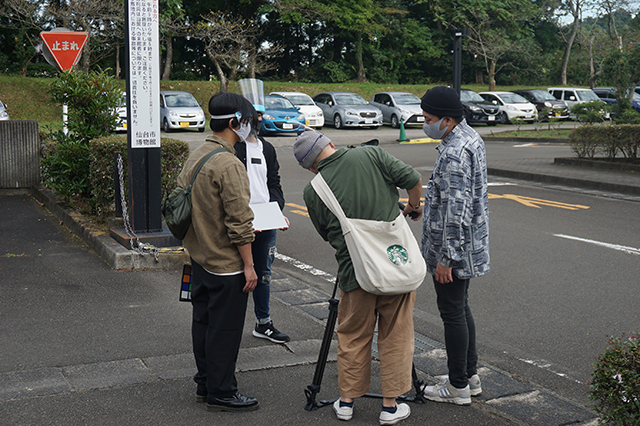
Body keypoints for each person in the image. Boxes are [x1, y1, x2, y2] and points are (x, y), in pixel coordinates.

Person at [294, 129, 423, 425]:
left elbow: (328, 235)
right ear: (330, 143)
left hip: (355, 274)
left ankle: (347, 403)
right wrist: (413, 206)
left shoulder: (313, 191)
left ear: (311, 166)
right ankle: (390, 407)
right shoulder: (371, 154)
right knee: (396, 336)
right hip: (395, 266)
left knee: (352, 336)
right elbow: (413, 180)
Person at [178, 91, 259, 413]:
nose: (250, 129)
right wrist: (249, 265)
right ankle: (222, 393)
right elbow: (239, 222)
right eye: (248, 122)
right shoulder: (229, 163)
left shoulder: (197, 153)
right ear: (235, 122)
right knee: (225, 329)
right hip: (226, 264)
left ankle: (205, 383)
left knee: (203, 322)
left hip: (198, 257)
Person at [419, 86, 490, 406]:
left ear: (447, 120)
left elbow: (456, 211)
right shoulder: (470, 138)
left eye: (429, 118)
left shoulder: (454, 152)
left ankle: (458, 386)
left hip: (454, 249)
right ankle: (469, 375)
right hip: (468, 244)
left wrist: (447, 257)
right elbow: (451, 199)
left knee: (452, 312)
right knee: (460, 308)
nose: (425, 122)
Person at [234, 103, 290, 344]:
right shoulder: (233, 148)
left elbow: (274, 182)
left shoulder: (267, 148)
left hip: (265, 220)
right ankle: (230, 325)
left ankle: (263, 323)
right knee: (238, 273)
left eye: (259, 115)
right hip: (240, 219)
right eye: (251, 116)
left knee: (263, 273)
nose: (256, 120)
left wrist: (276, 210)